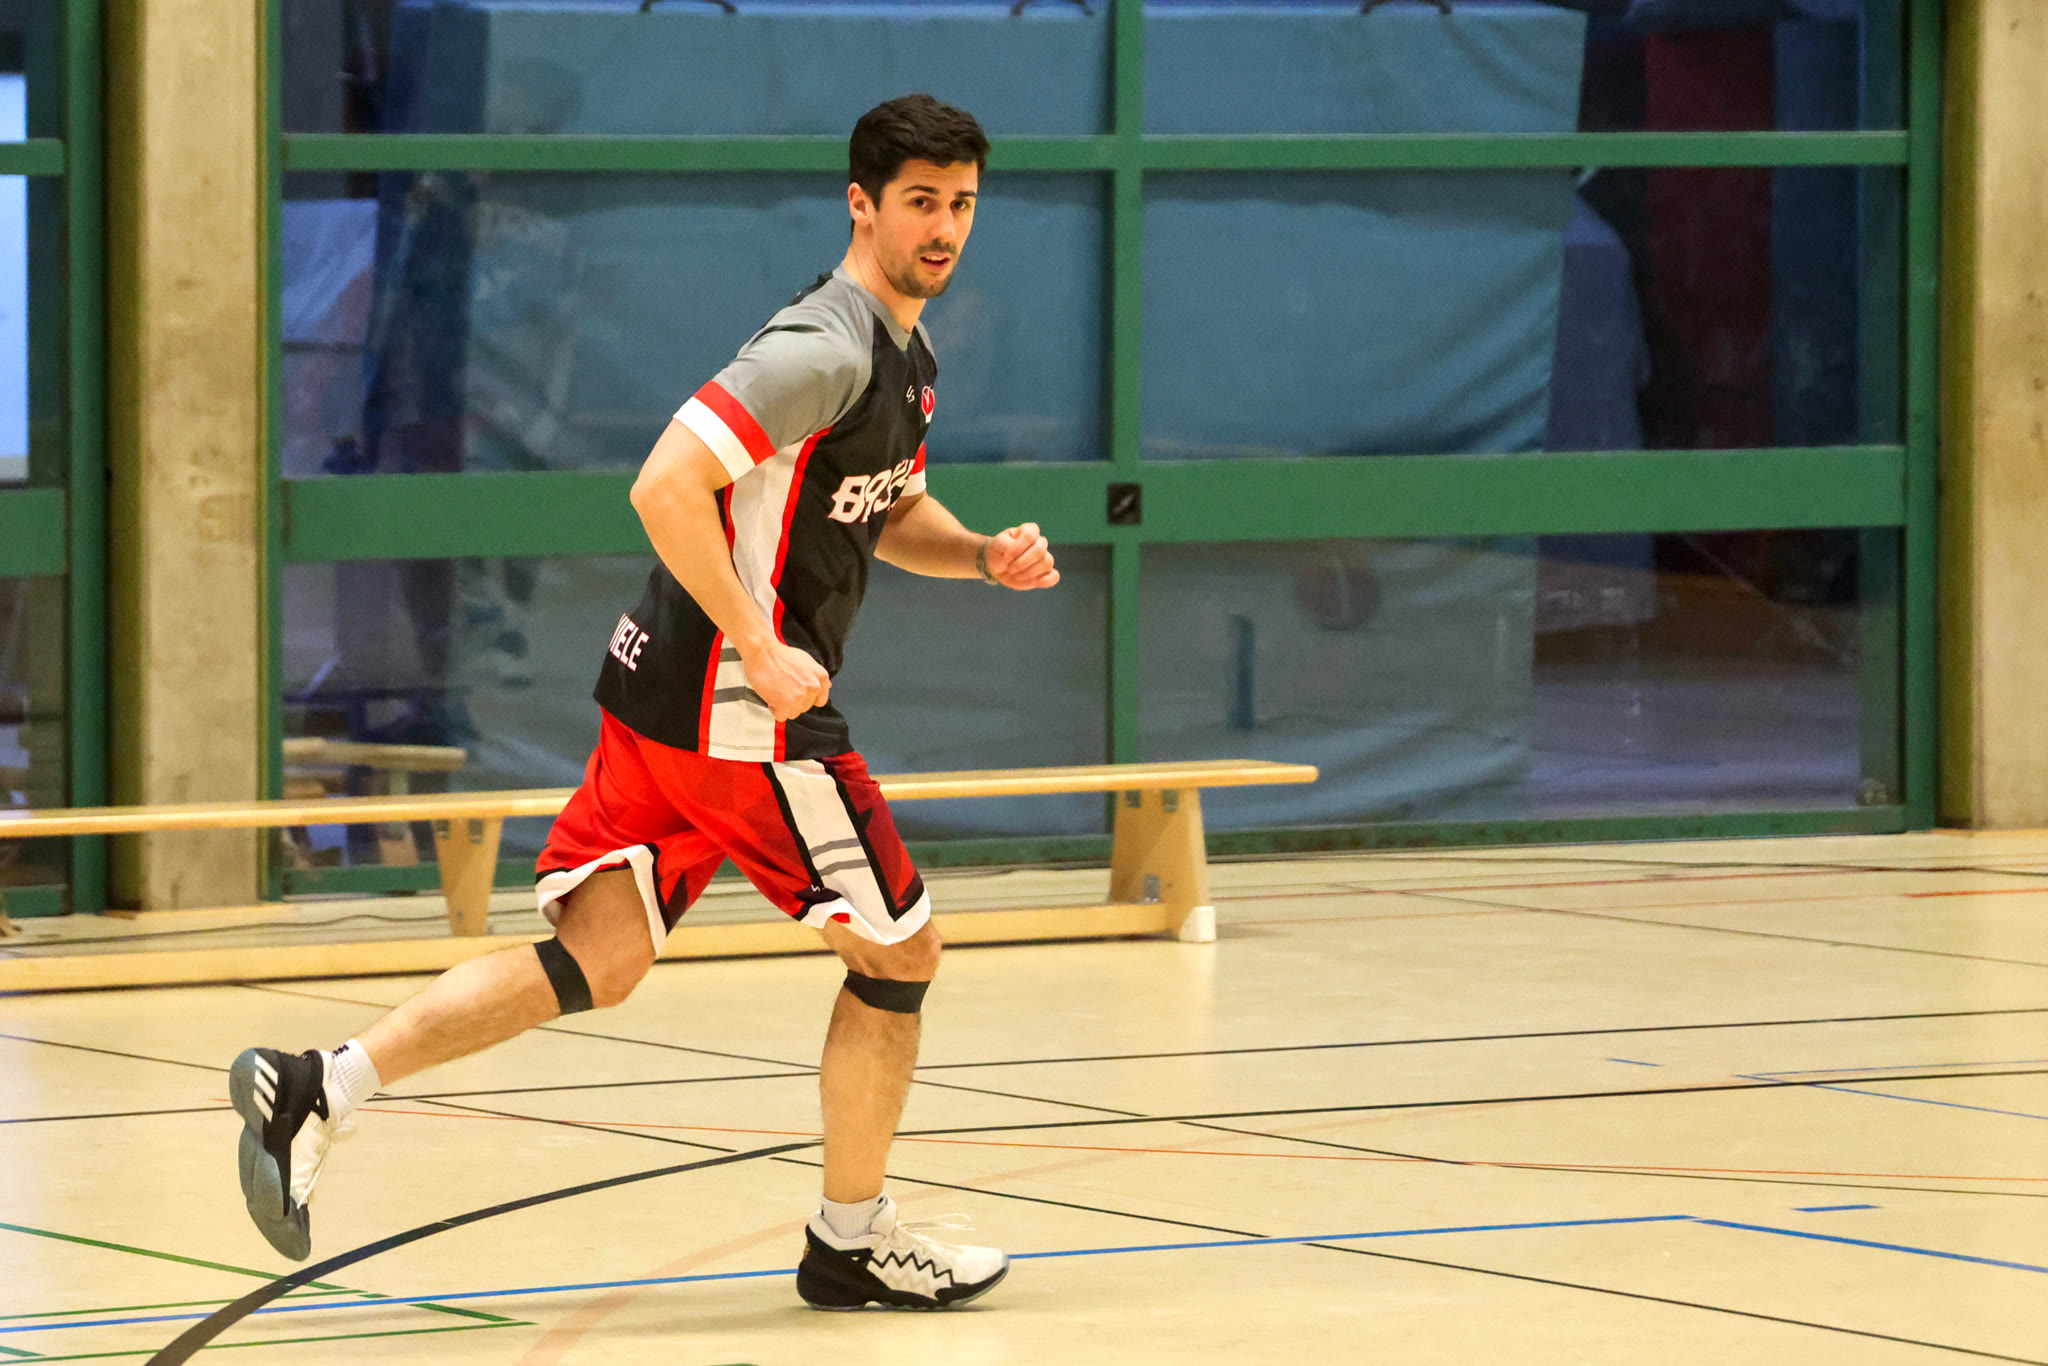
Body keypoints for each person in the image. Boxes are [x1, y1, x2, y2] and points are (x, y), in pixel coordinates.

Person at [230, 94, 1058, 1312]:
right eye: (920, 202)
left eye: (962, 204)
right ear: (861, 205)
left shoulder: (902, 356)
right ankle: (849, 1240)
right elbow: (664, 483)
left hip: (659, 701)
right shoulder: (819, 347)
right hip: (737, 713)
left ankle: (318, 1085)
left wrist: (979, 553)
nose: (943, 227)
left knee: (600, 955)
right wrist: (758, 644)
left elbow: (880, 509)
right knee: (899, 953)